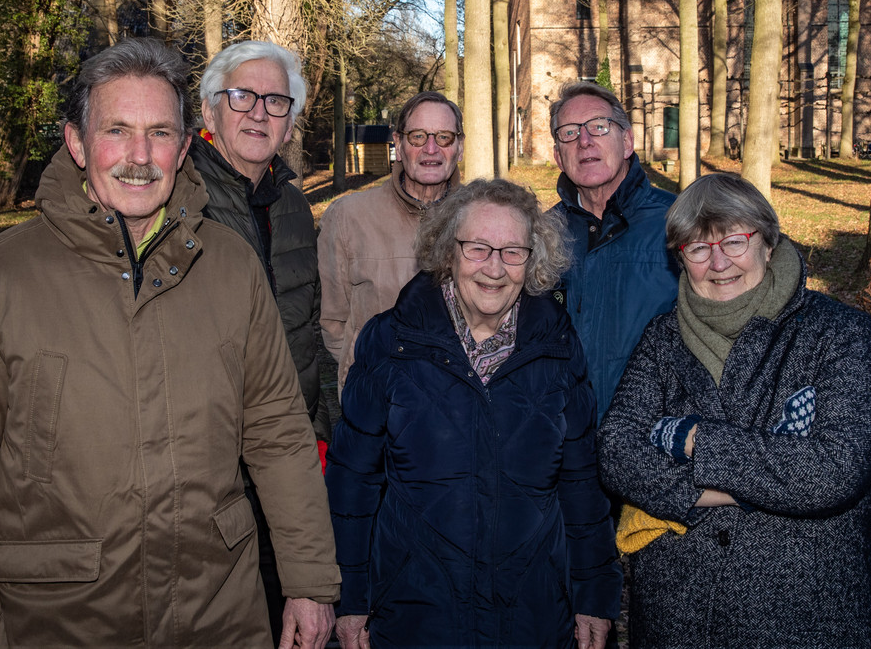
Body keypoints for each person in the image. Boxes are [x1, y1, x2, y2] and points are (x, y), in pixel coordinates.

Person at [0, 38, 339, 649]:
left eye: (160, 132)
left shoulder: (231, 266)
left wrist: (309, 581)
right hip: (59, 621)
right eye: (117, 130)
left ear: (185, 146)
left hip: (218, 615)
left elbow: (279, 433)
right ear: (78, 144)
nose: (140, 156)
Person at [596, 172, 871, 649]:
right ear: (680, 259)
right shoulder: (662, 339)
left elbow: (834, 471)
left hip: (801, 614)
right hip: (677, 613)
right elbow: (617, 453)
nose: (718, 263)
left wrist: (691, 438)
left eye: (734, 241)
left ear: (767, 243)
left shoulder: (837, 333)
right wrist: (743, 488)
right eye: (697, 249)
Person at [327, 179, 621, 649]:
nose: (494, 269)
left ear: (533, 261)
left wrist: (594, 594)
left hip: (534, 614)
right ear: (448, 252)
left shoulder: (558, 347)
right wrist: (350, 598)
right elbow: (352, 482)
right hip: (415, 612)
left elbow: (581, 483)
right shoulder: (391, 341)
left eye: (512, 252)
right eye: (478, 248)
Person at [192, 39, 329, 643]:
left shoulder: (295, 205)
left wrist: (323, 427)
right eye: (241, 96)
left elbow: (310, 324)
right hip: (206, 473)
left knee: (291, 617)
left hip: (287, 464)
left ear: (292, 119)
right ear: (208, 112)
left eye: (276, 100)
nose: (259, 112)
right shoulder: (176, 202)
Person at [550, 81, 679, 419]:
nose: (585, 141)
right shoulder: (541, 236)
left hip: (655, 441)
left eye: (599, 127)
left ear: (627, 142)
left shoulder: (680, 223)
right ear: (557, 156)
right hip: (566, 446)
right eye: (569, 133)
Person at [318, 91, 463, 393]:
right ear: (398, 142)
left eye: (444, 137)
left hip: (460, 407)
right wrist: (368, 377)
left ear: (459, 146)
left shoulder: (480, 219)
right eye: (418, 136)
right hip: (378, 404)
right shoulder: (348, 217)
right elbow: (334, 322)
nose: (431, 149)